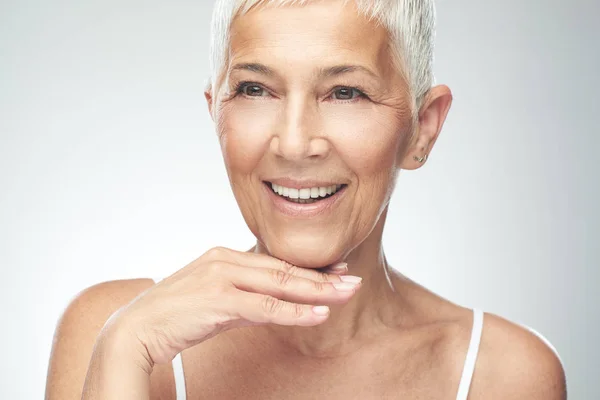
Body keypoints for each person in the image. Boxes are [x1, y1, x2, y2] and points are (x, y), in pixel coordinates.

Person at [45, 0, 567, 398]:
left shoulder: (504, 374)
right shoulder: (113, 330)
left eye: (345, 93)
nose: (295, 144)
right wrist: (123, 354)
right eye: (255, 89)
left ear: (423, 129)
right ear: (217, 115)